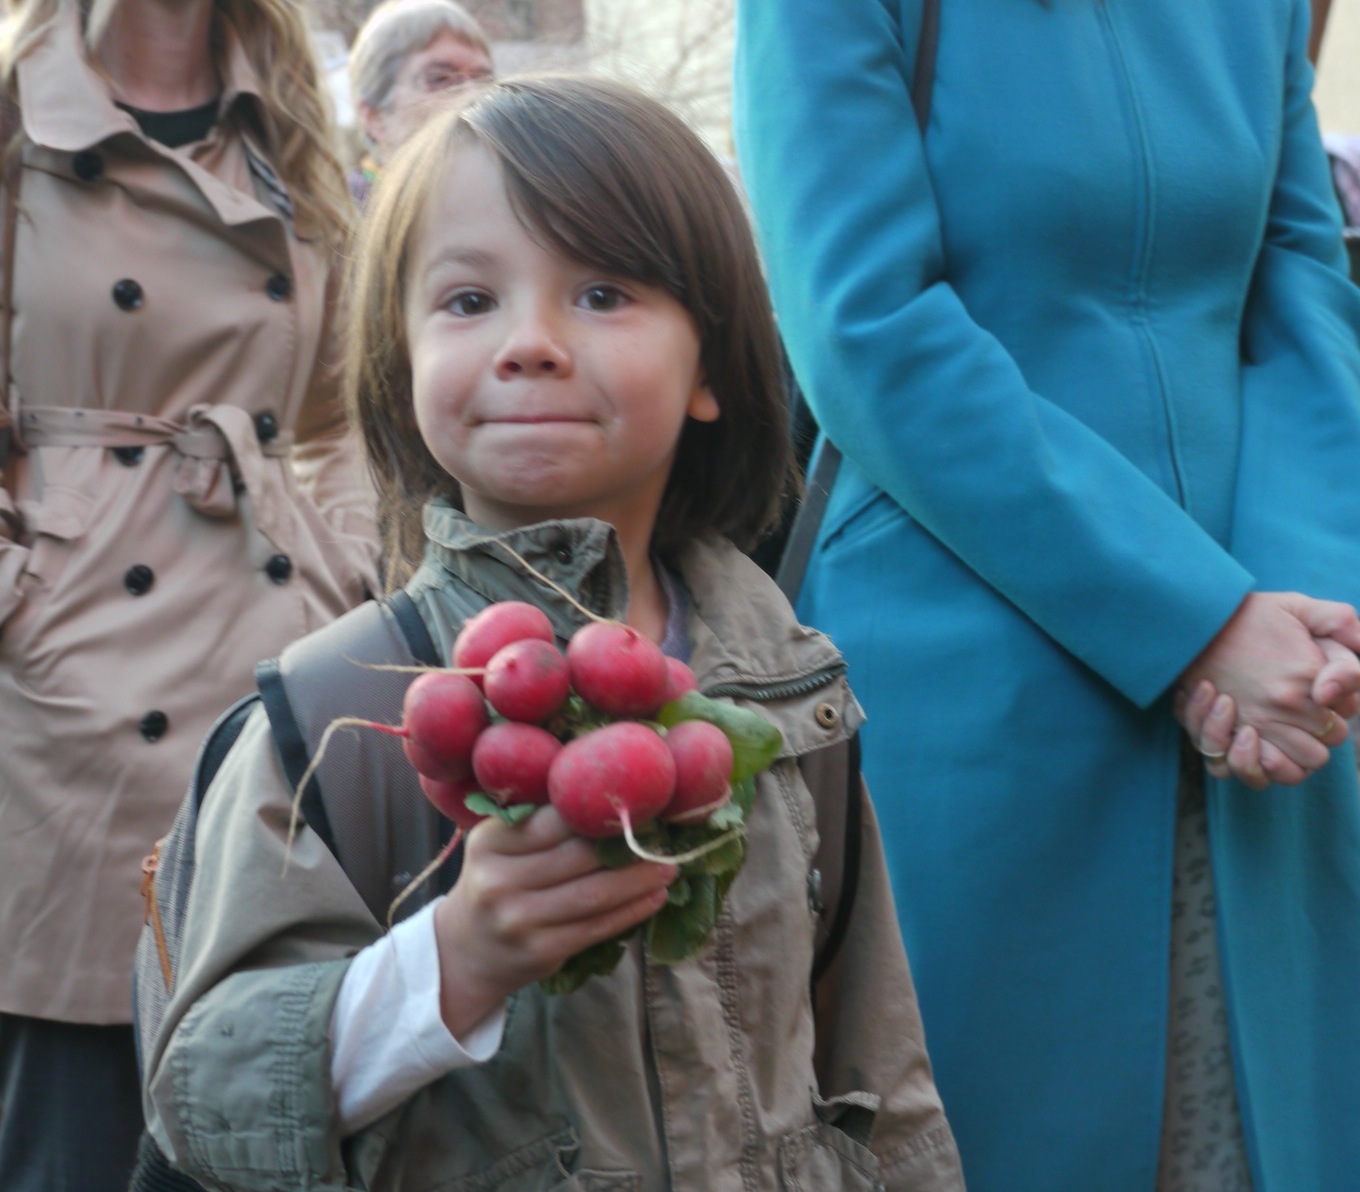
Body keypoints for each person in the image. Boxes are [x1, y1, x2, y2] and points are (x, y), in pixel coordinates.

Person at [136, 75, 965, 1191]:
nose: (528, 342)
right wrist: (457, 959)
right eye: (469, 301)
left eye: (603, 293)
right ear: (402, 357)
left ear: (715, 365)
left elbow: (883, 1074)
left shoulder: (790, 696)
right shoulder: (335, 716)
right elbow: (203, 1100)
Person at [733, 2, 1360, 1191]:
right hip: (979, 693)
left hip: (1262, 712)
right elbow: (864, 325)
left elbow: (1298, 281)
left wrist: (1308, 628)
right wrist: (1195, 622)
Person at [0, 0, 378, 1186]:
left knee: (264, 1088)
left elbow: (343, 408)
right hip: (64, 690)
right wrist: (23, 594)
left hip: (279, 666)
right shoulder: (18, 119)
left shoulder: (290, 126)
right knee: (78, 1122)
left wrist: (349, 569)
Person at [346, 0, 491, 206]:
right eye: (440, 79)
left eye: (483, 80)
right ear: (375, 117)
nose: (472, 95)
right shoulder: (335, 224)